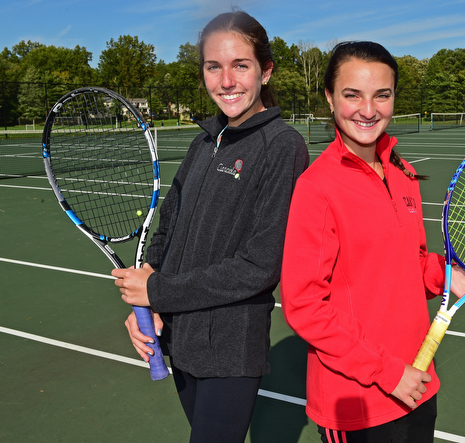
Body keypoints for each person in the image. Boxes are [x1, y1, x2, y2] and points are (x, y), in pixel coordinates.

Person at [280, 41, 465, 443]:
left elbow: (410, 262)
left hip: (417, 383)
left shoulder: (403, 173)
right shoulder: (316, 189)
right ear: (329, 98)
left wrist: (450, 276)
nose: (368, 109)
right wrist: (386, 372)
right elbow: (304, 306)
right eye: (352, 95)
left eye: (382, 94)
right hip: (359, 399)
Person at [111, 10, 309, 443]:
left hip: (230, 350)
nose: (226, 80)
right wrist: (147, 304)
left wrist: (158, 291)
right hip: (177, 340)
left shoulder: (283, 146)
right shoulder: (203, 141)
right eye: (213, 67)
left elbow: (260, 265)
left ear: (265, 70)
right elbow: (167, 230)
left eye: (241, 65)